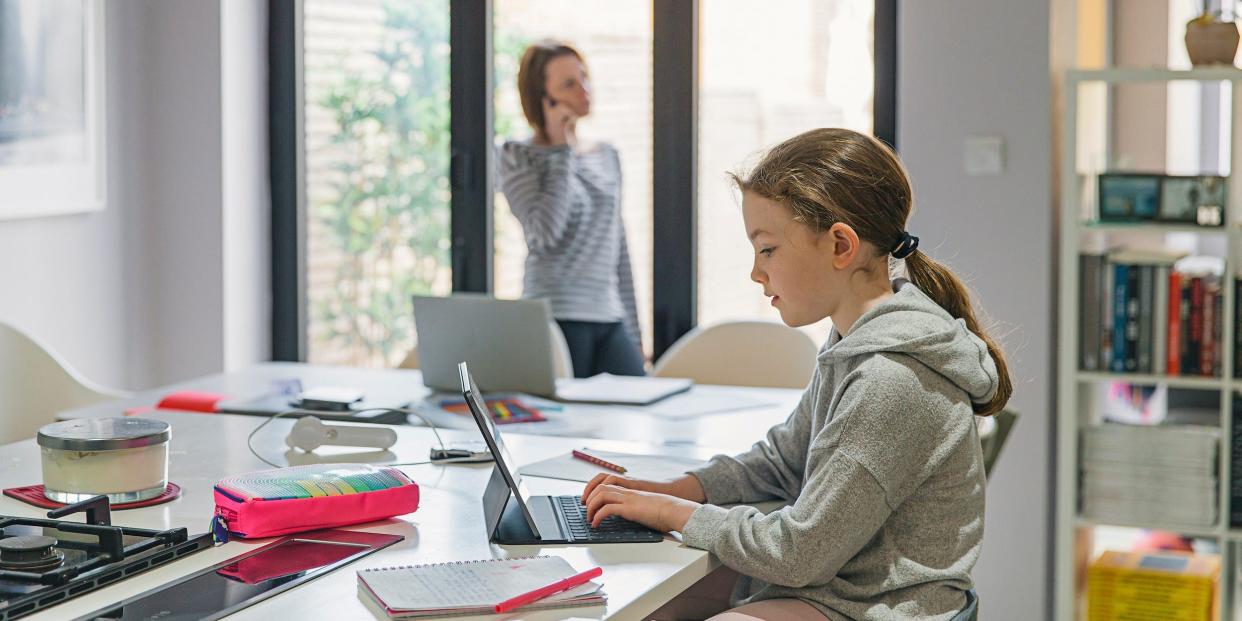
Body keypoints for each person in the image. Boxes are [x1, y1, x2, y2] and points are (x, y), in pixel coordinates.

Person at [581, 128, 1013, 620]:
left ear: (840, 246)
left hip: (878, 607)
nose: (755, 272)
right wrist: (677, 490)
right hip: (840, 589)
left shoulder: (891, 379)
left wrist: (674, 515)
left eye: (767, 249)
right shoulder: (855, 342)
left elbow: (799, 552)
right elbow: (783, 461)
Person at [497, 40, 644, 378]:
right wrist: (561, 151)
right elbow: (545, 234)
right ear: (542, 98)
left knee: (637, 407)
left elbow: (617, 247)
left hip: (608, 315)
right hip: (555, 317)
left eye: (584, 77)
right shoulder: (516, 155)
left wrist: (635, 333)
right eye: (568, 84)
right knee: (564, 425)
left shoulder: (607, 154)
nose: (584, 90)